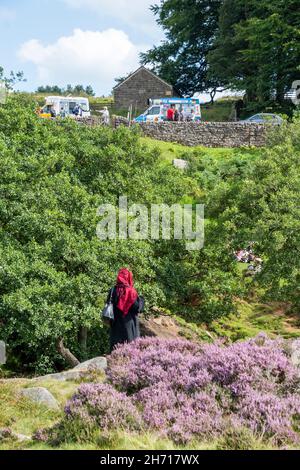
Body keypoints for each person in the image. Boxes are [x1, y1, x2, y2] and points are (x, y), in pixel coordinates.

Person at [107, 268, 144, 352]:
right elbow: (137, 308)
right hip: (129, 324)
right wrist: (141, 300)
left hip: (115, 324)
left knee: (115, 349)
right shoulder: (131, 291)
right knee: (130, 349)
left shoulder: (112, 290)